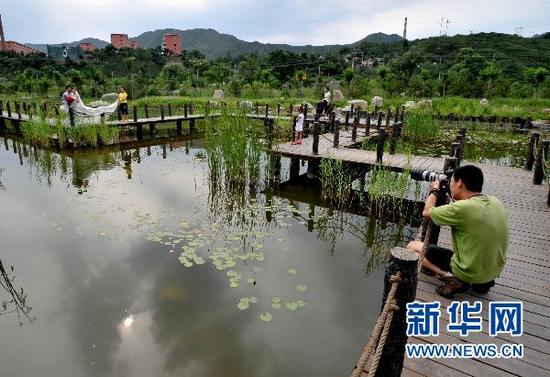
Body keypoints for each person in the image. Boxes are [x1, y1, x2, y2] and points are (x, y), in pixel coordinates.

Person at [407, 165, 508, 298]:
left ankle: (450, 277)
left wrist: (435, 190)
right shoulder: (495, 202)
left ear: (460, 182)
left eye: (452, 181)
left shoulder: (462, 208)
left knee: (411, 247)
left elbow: (427, 212)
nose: (450, 185)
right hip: (492, 271)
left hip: (468, 271)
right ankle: (480, 283)